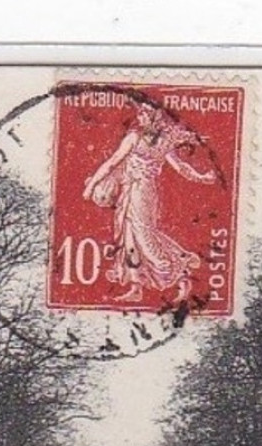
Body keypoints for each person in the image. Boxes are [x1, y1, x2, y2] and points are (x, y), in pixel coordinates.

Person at [81, 101, 218, 304]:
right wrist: (92, 184)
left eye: (144, 115)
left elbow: (180, 167)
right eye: (140, 115)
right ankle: (137, 286)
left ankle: (178, 269)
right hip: (131, 190)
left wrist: (202, 178)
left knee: (144, 237)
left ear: (154, 118)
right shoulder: (142, 139)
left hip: (142, 192)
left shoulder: (150, 141)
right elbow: (112, 163)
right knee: (130, 236)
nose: (140, 118)